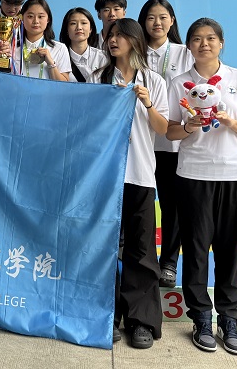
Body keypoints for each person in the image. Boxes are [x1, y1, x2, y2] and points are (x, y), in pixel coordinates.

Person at [166, 18, 237, 356]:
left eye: (210, 38)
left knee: (230, 249)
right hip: (193, 175)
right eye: (197, 39)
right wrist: (190, 125)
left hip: (236, 175)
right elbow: (170, 132)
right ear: (188, 45)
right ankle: (201, 318)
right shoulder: (179, 83)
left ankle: (229, 319)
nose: (204, 44)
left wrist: (232, 122)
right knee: (195, 249)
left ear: (221, 43)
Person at [90, 18, 168, 349]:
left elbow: (163, 128)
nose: (113, 40)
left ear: (135, 41)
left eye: (120, 35)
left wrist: (147, 102)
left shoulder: (153, 81)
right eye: (110, 35)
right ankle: (105, 316)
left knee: (141, 250)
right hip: (104, 176)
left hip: (139, 174)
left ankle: (142, 321)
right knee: (102, 248)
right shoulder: (98, 78)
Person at [136, 0, 194, 288]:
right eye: (150, 18)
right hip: (140, 143)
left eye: (162, 17)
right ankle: (141, 260)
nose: (157, 23)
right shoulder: (134, 52)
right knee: (141, 205)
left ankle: (168, 262)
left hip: (172, 145)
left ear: (172, 21)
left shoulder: (186, 53)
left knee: (173, 206)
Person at [12, 0, 69, 81]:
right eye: (30, 16)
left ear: (48, 19)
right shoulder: (12, 47)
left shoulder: (59, 48)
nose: (36, 21)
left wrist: (50, 63)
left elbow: (65, 85)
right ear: (22, 18)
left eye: (40, 16)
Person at [59, 7, 107, 83]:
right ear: (67, 30)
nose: (79, 28)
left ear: (91, 29)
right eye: (73, 23)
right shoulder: (59, 58)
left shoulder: (103, 57)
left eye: (84, 23)